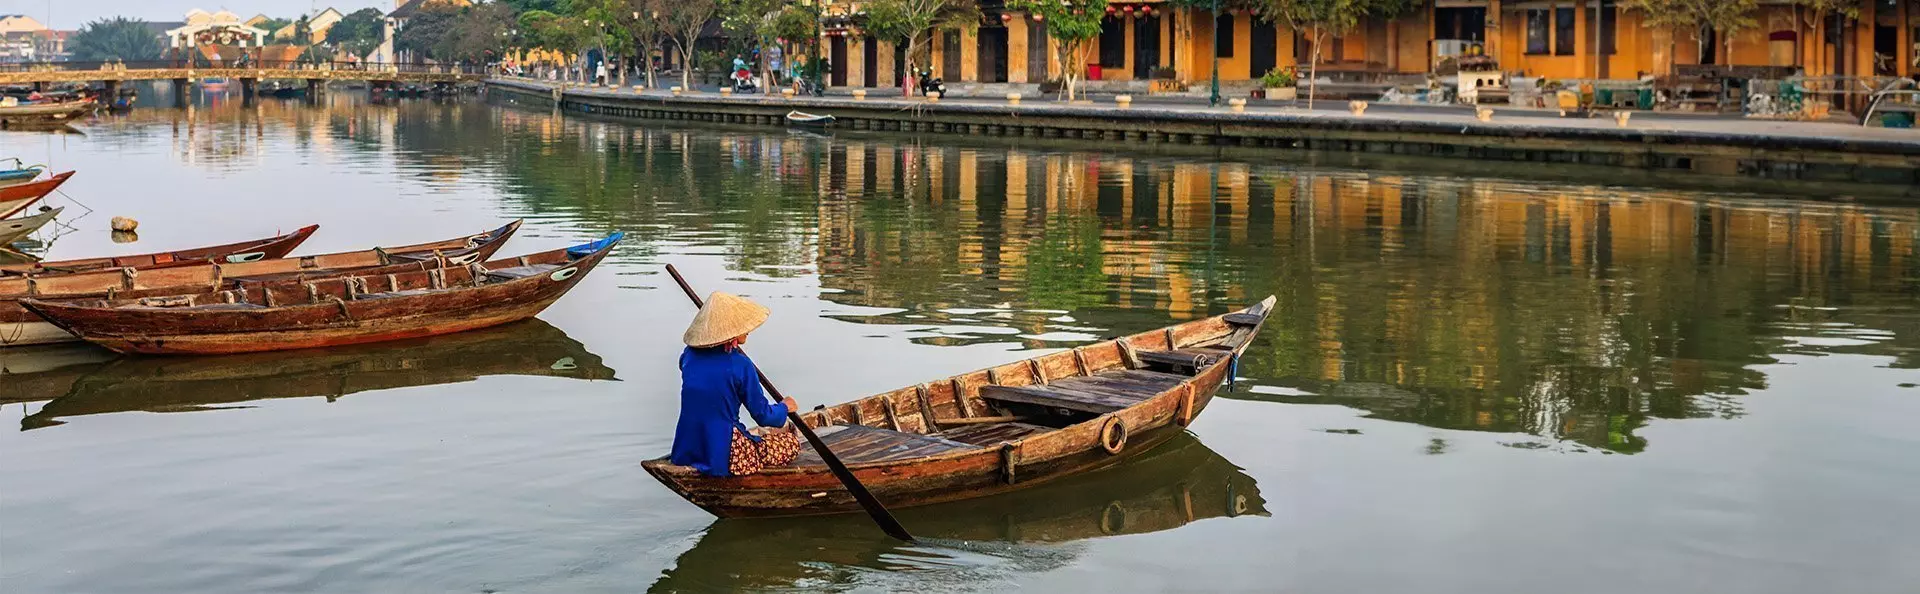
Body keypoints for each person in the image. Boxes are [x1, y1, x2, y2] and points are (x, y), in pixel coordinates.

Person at [668, 292, 802, 477]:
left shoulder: (688, 356)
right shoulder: (740, 365)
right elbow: (763, 416)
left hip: (685, 448)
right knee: (791, 443)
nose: (747, 330)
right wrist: (785, 407)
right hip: (722, 453)